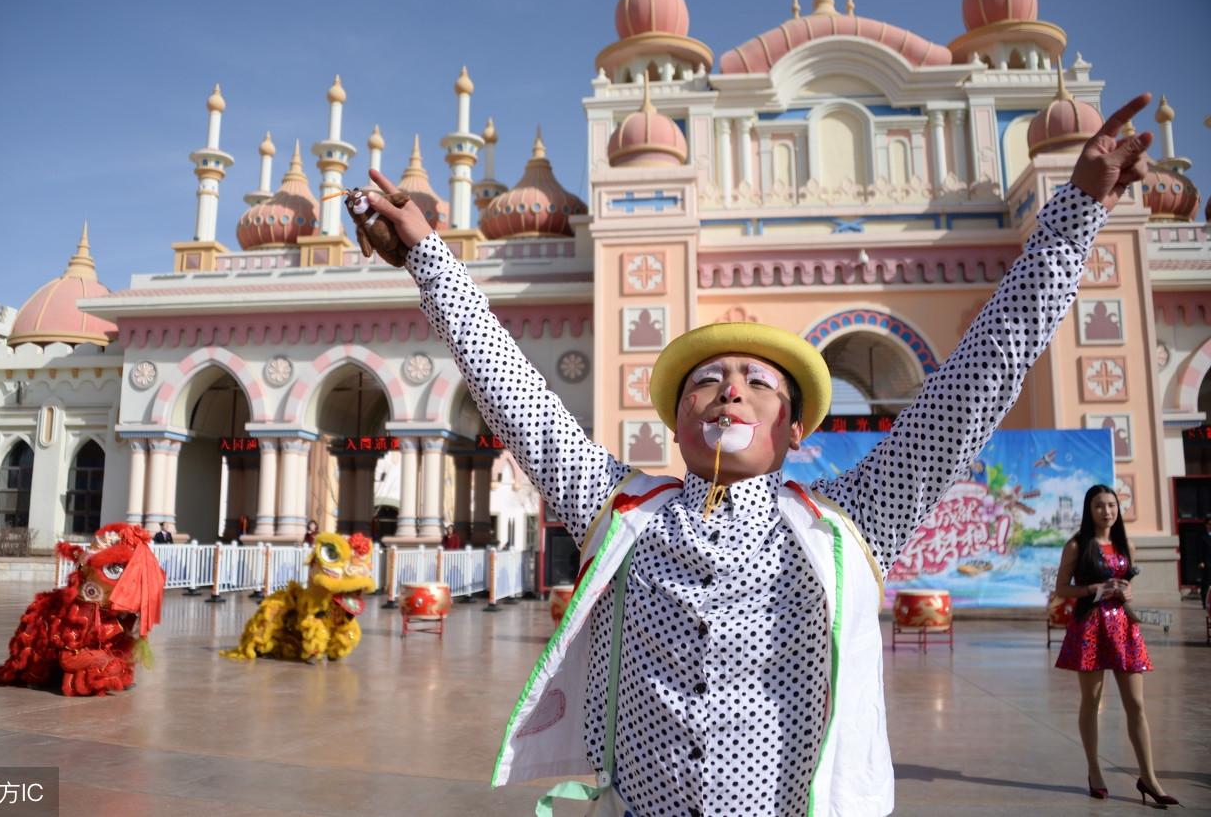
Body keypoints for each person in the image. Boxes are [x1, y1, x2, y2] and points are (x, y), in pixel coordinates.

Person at [352, 94, 1153, 816]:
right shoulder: (620, 511)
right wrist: (429, 255)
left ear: (794, 429)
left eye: (757, 382)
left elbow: (982, 371)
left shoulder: (850, 525)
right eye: (705, 380)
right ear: (676, 422)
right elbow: (512, 389)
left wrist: (1076, 211)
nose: (729, 391)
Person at [1053, 484, 1177, 806]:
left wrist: (1128, 596)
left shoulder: (1127, 545)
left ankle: (1149, 778)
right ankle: (1094, 770)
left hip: (1123, 628)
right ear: (1088, 509)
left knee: (1136, 704)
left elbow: (1129, 589)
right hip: (1091, 627)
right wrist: (1094, 588)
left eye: (1111, 505)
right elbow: (1062, 589)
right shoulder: (1077, 545)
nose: (1106, 511)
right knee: (1091, 702)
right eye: (1099, 506)